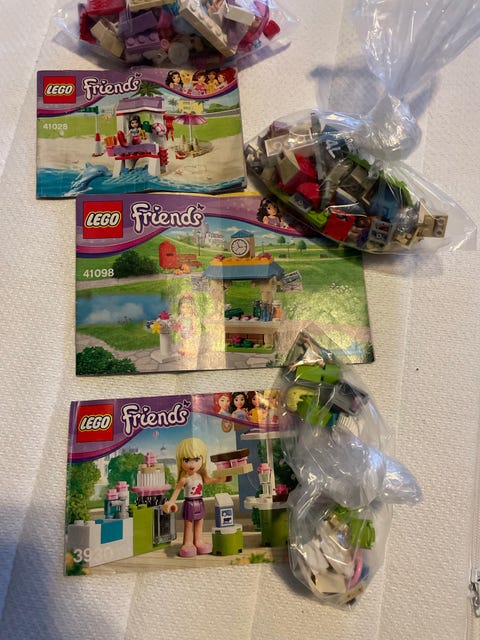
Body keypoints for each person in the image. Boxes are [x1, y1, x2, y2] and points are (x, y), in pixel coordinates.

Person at [163, 438, 229, 557]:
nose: (192, 464)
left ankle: (199, 541)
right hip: (189, 503)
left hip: (199, 502)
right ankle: (187, 543)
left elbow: (211, 480)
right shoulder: (184, 479)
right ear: (180, 461)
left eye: (196, 459)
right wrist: (171, 502)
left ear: (203, 459)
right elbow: (176, 492)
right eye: (186, 460)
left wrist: (222, 478)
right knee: (188, 524)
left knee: (199, 522)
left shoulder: (201, 476)